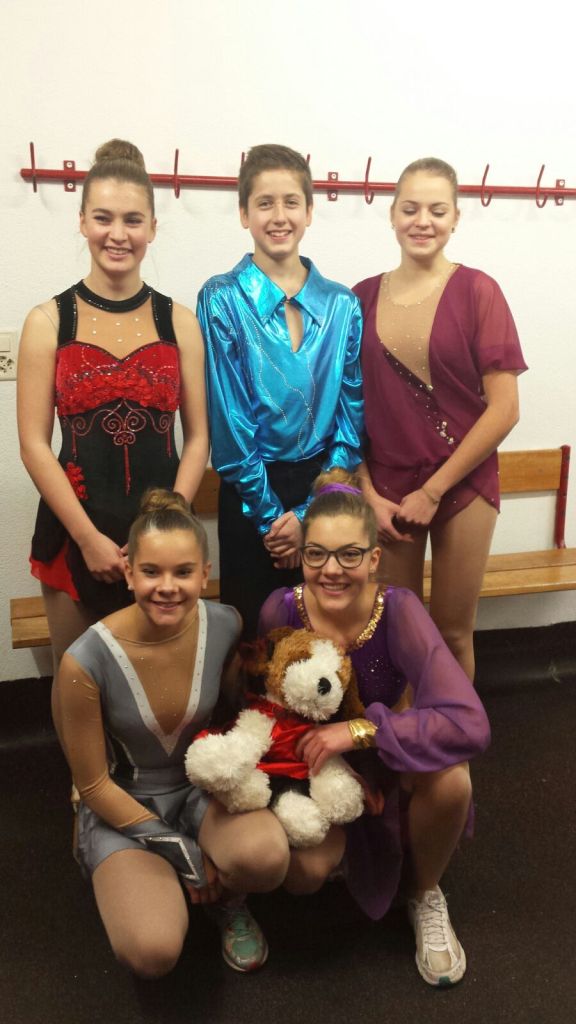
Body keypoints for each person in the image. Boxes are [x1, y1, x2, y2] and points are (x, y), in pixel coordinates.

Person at [53, 488, 347, 977]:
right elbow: (94, 786)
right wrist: (184, 852)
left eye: (183, 572)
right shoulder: (85, 659)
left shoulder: (225, 624)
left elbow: (236, 712)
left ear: (205, 574)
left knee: (267, 858)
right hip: (122, 803)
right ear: (129, 573)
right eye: (151, 572)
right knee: (153, 951)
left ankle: (226, 899)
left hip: (199, 787)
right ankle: (165, 877)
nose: (167, 587)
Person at [258, 469, 491, 987]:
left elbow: (470, 723)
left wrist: (362, 731)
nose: (331, 570)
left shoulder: (397, 610)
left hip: (391, 761)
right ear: (302, 556)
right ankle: (355, 853)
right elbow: (267, 710)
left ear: (374, 558)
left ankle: (425, 892)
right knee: (301, 877)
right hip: (318, 772)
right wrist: (327, 766)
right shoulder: (280, 608)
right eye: (317, 554)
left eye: (349, 555)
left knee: (454, 780)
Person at [17, 139, 209, 674]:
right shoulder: (48, 321)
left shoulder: (180, 322)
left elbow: (198, 438)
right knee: (78, 681)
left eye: (132, 220)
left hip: (164, 542)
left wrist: (167, 527)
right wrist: (87, 539)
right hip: (73, 536)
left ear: (153, 228)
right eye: (103, 218)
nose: (117, 234)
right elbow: (33, 445)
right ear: (82, 222)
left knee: (162, 680)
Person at [352, 157, 527, 679]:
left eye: (436, 210)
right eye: (410, 209)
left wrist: (433, 490)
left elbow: (505, 409)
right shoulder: (360, 297)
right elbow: (346, 409)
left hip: (462, 482)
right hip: (388, 490)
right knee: (394, 629)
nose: (422, 221)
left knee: (451, 632)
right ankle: (403, 726)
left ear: (455, 218)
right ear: (392, 214)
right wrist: (366, 491)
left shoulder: (478, 291)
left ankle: (454, 729)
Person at [197, 143, 364, 639]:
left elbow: (351, 421)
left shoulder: (342, 305)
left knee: (325, 635)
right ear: (244, 213)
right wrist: (274, 520)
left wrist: (309, 513)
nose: (279, 216)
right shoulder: (221, 297)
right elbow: (230, 424)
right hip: (251, 492)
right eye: (264, 203)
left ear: (309, 211)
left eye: (291, 202)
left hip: (323, 490)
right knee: (253, 638)